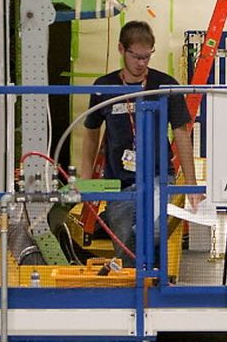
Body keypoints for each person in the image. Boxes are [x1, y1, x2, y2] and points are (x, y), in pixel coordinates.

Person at [81, 21, 199, 266]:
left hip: (157, 177)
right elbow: (91, 133)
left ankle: (154, 283)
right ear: (121, 50)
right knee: (126, 247)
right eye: (136, 57)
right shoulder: (104, 87)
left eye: (147, 57)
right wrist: (85, 181)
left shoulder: (165, 86)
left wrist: (191, 185)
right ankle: (133, 292)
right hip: (118, 182)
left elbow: (181, 134)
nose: (142, 63)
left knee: (152, 231)